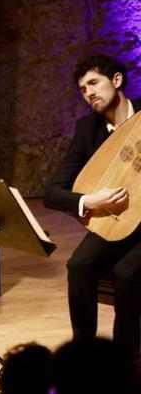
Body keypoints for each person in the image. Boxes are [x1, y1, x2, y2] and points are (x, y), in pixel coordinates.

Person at [43, 54, 141, 361]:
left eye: (94, 83)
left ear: (117, 80)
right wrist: (90, 202)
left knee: (127, 274)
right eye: (83, 89)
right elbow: (52, 192)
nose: (89, 93)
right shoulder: (88, 129)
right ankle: (82, 358)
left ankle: (124, 362)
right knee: (79, 265)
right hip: (115, 221)